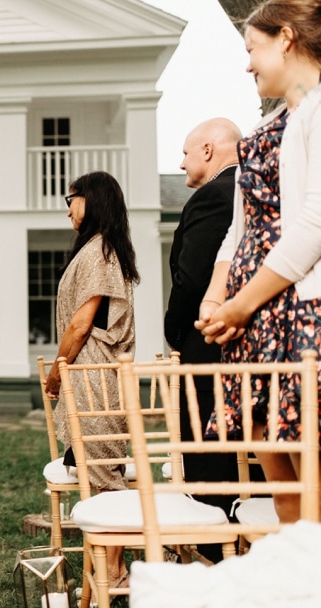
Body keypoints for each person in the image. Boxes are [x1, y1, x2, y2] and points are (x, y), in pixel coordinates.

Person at [198, 0, 321, 524]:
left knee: (311, 472)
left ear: (286, 38)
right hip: (254, 318)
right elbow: (240, 224)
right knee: (282, 483)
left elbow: (315, 222)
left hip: (294, 311)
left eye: (253, 48)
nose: (247, 63)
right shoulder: (274, 125)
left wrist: (243, 304)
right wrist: (216, 296)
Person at [41, 171, 141, 494]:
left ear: (92, 199)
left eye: (71, 200)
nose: (67, 209)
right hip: (90, 376)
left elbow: (81, 324)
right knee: (95, 477)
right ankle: (102, 544)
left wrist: (57, 370)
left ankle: (127, 538)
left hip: (94, 382)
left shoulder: (100, 251)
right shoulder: (98, 248)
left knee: (105, 480)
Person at [169, 119, 244, 532]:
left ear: (209, 150)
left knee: (206, 451)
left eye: (185, 152)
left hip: (208, 343)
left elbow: (192, 278)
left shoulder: (215, 195)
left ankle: (212, 545)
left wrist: (176, 332)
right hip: (250, 342)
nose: (181, 163)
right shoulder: (257, 188)